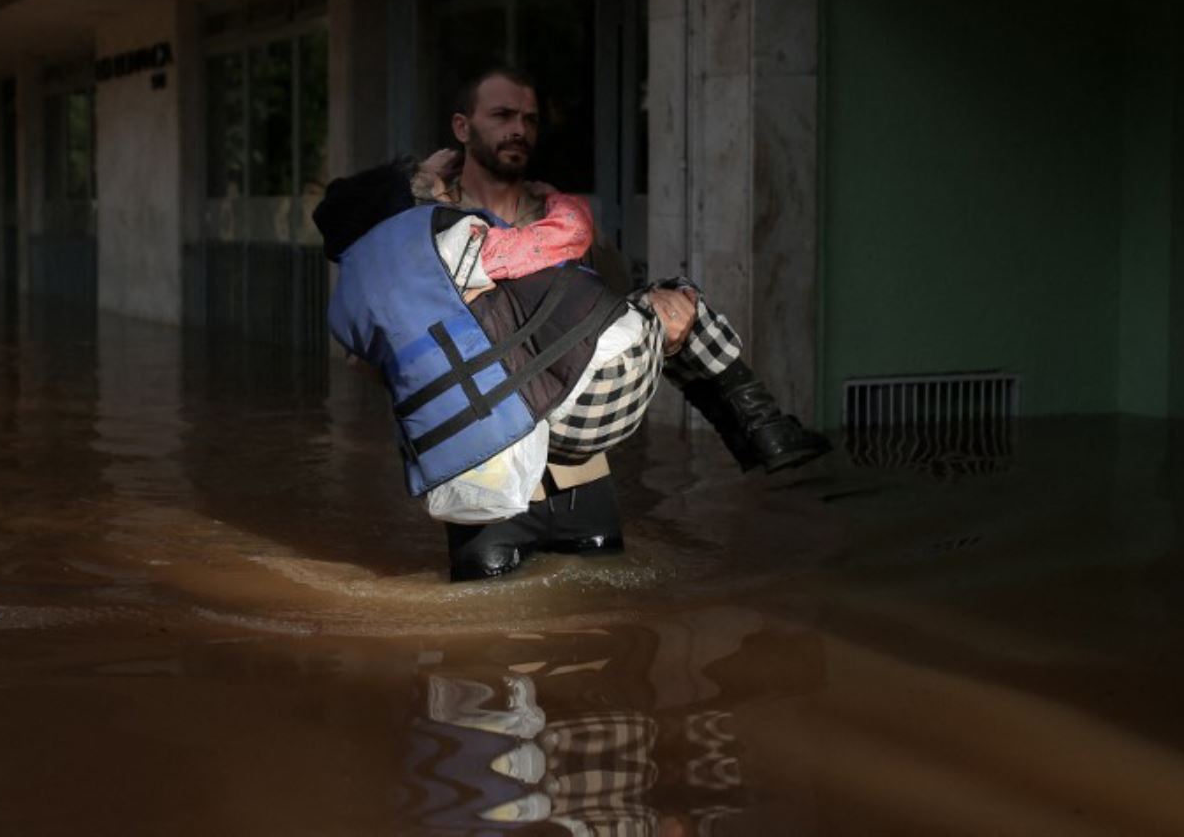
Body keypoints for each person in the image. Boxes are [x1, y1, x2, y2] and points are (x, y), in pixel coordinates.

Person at [313, 68, 827, 581]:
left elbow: (610, 310)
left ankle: (764, 433)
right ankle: (767, 431)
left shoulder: (555, 213)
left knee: (596, 633)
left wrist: (666, 314)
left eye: (529, 120)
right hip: (494, 477)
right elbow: (375, 351)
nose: (519, 129)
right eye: (502, 116)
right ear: (462, 128)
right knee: (485, 648)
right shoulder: (424, 227)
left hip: (582, 479)